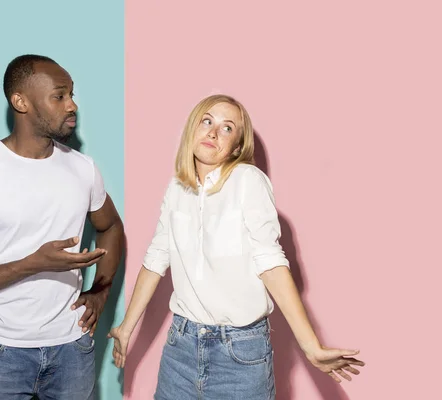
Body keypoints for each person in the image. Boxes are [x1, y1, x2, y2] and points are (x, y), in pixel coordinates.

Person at [108, 94, 364, 399]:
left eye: (227, 128)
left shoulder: (248, 181)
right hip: (181, 347)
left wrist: (311, 345)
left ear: (237, 147)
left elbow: (270, 261)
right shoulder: (177, 188)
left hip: (240, 355)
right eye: (207, 121)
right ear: (193, 128)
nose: (214, 132)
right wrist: (125, 328)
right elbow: (156, 258)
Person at [0, 54, 124, 400]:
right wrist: (32, 264)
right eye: (59, 96)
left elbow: (111, 228)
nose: (72, 105)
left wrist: (100, 291)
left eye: (72, 94)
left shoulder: (83, 169)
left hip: (72, 351)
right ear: (20, 102)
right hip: (1, 355)